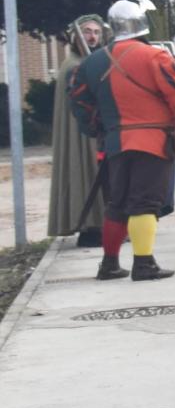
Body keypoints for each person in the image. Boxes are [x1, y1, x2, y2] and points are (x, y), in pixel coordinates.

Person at [71, 0, 175, 281]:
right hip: (152, 142)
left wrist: (98, 129)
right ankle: (144, 263)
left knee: (117, 203)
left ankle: (110, 263)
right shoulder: (155, 57)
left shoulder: (92, 62)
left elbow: (79, 102)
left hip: (115, 143)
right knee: (144, 204)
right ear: (142, 23)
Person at [48, 15, 110, 248]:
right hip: (82, 133)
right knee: (88, 173)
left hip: (87, 128)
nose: (92, 36)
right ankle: (92, 227)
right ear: (76, 35)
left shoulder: (83, 61)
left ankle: (98, 226)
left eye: (96, 32)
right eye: (87, 31)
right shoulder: (76, 64)